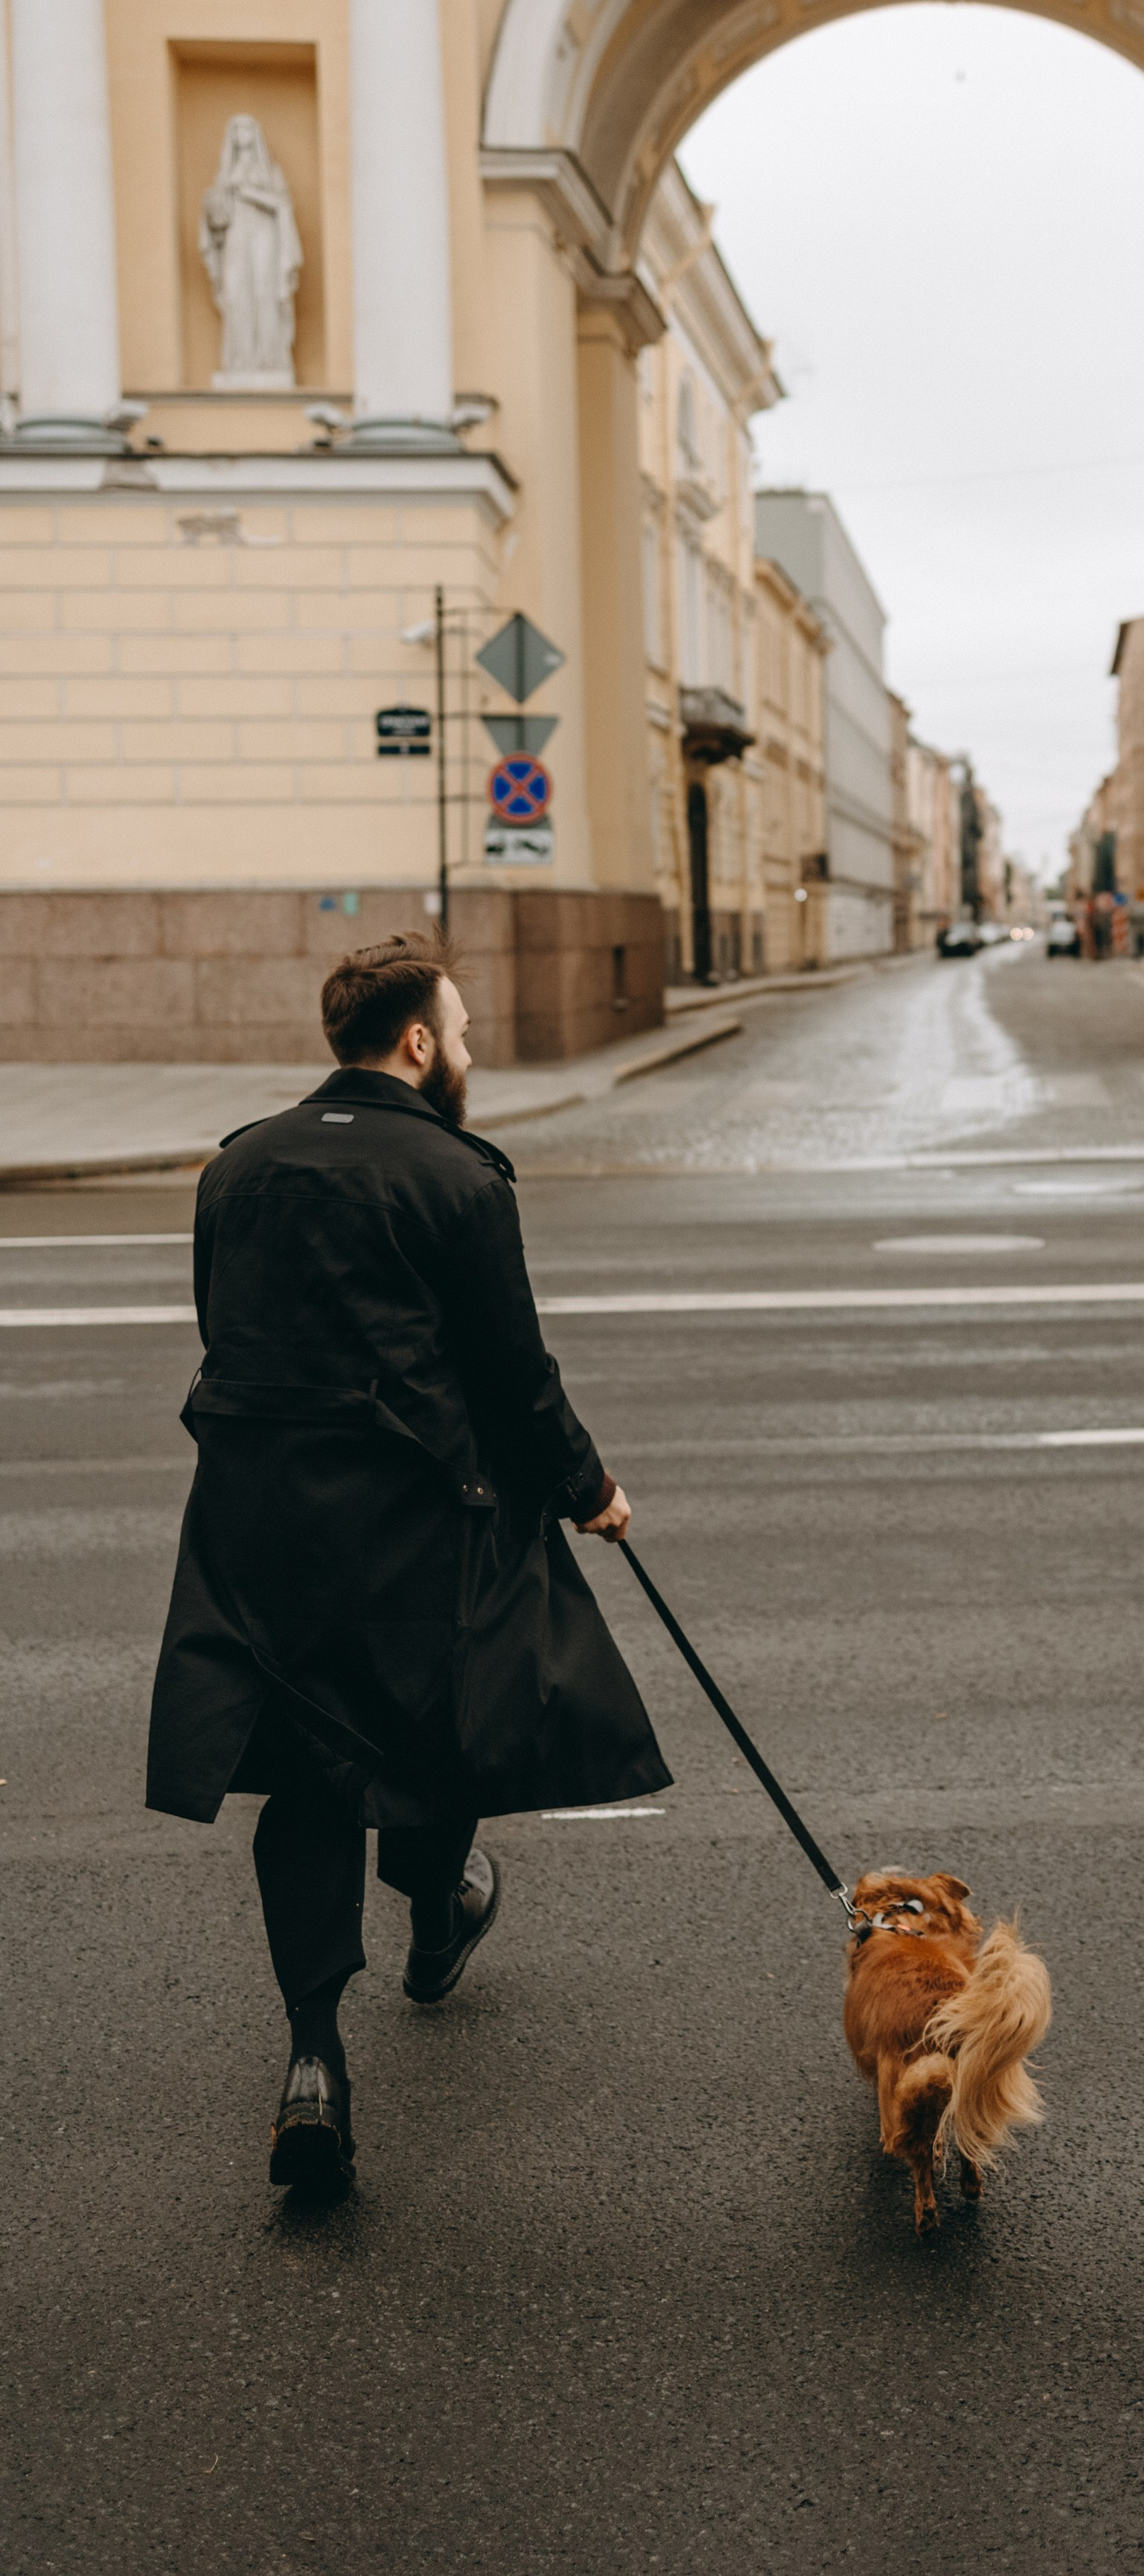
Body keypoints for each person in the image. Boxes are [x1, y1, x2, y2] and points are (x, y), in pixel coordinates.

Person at [145, 935, 671, 2194]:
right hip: (420, 1514)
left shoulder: (238, 1167)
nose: (476, 1051)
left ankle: (315, 2061)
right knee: (445, 1730)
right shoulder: (457, 1174)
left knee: (311, 1774)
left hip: (258, 1526)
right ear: (419, 1044)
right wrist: (588, 1489)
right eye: (468, 1031)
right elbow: (510, 1371)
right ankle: (439, 1920)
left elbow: (228, 1331)